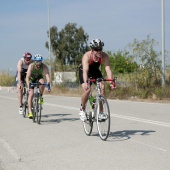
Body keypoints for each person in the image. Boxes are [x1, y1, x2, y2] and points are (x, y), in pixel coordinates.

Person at [78, 38, 115, 121]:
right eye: (96, 49)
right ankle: (82, 109)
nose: (99, 51)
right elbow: (85, 71)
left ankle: (101, 112)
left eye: (100, 49)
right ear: (92, 49)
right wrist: (85, 82)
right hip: (84, 71)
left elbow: (108, 69)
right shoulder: (87, 56)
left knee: (102, 86)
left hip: (95, 71)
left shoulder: (104, 56)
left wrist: (111, 81)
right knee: (87, 90)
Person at [26, 54, 51, 119]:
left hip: (39, 78)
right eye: (37, 61)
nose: (38, 63)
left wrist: (48, 85)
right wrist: (28, 86)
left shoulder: (44, 66)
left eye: (40, 61)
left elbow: (47, 76)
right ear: (34, 61)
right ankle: (30, 111)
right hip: (31, 79)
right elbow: (27, 77)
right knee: (31, 94)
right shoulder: (31, 66)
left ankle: (41, 96)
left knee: (42, 83)